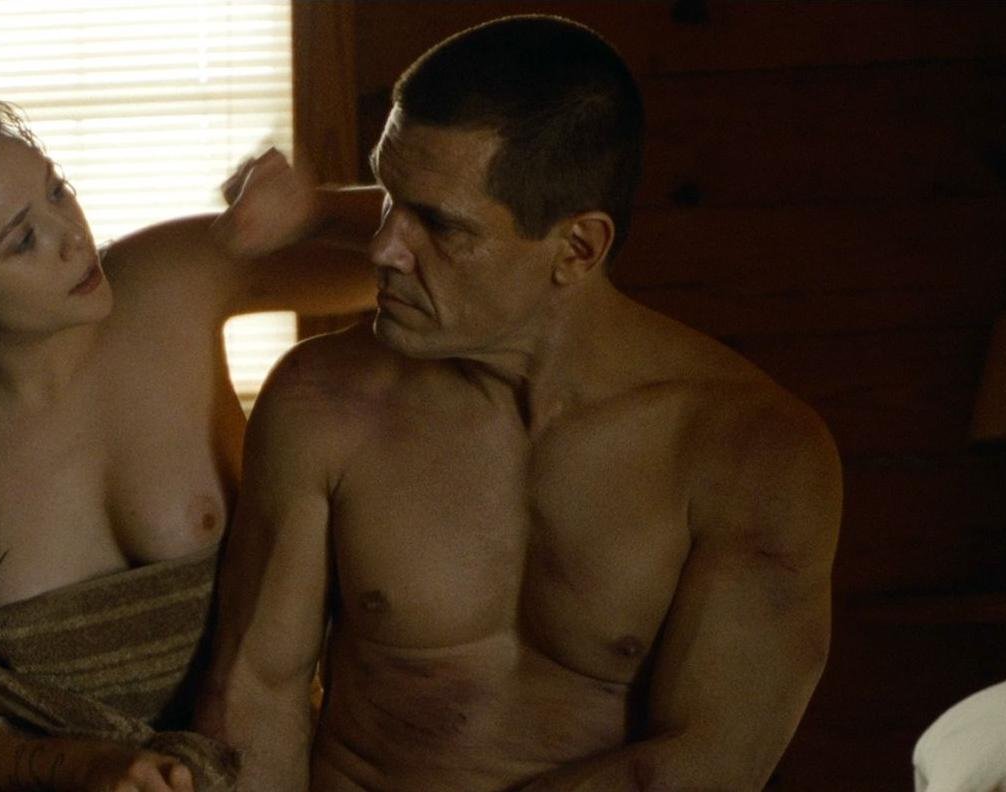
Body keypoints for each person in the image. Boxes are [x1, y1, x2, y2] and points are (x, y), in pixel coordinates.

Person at [196, 16, 843, 792]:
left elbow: (703, 765)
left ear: (578, 249)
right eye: (389, 197)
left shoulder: (752, 451)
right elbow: (255, 699)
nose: (383, 250)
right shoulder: (324, 403)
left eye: (439, 224)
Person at [0, 100, 370, 792]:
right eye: (23, 240)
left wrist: (317, 209)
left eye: (57, 191)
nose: (72, 238)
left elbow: (413, 259)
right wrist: (85, 768)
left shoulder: (168, 281)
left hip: (263, 763)